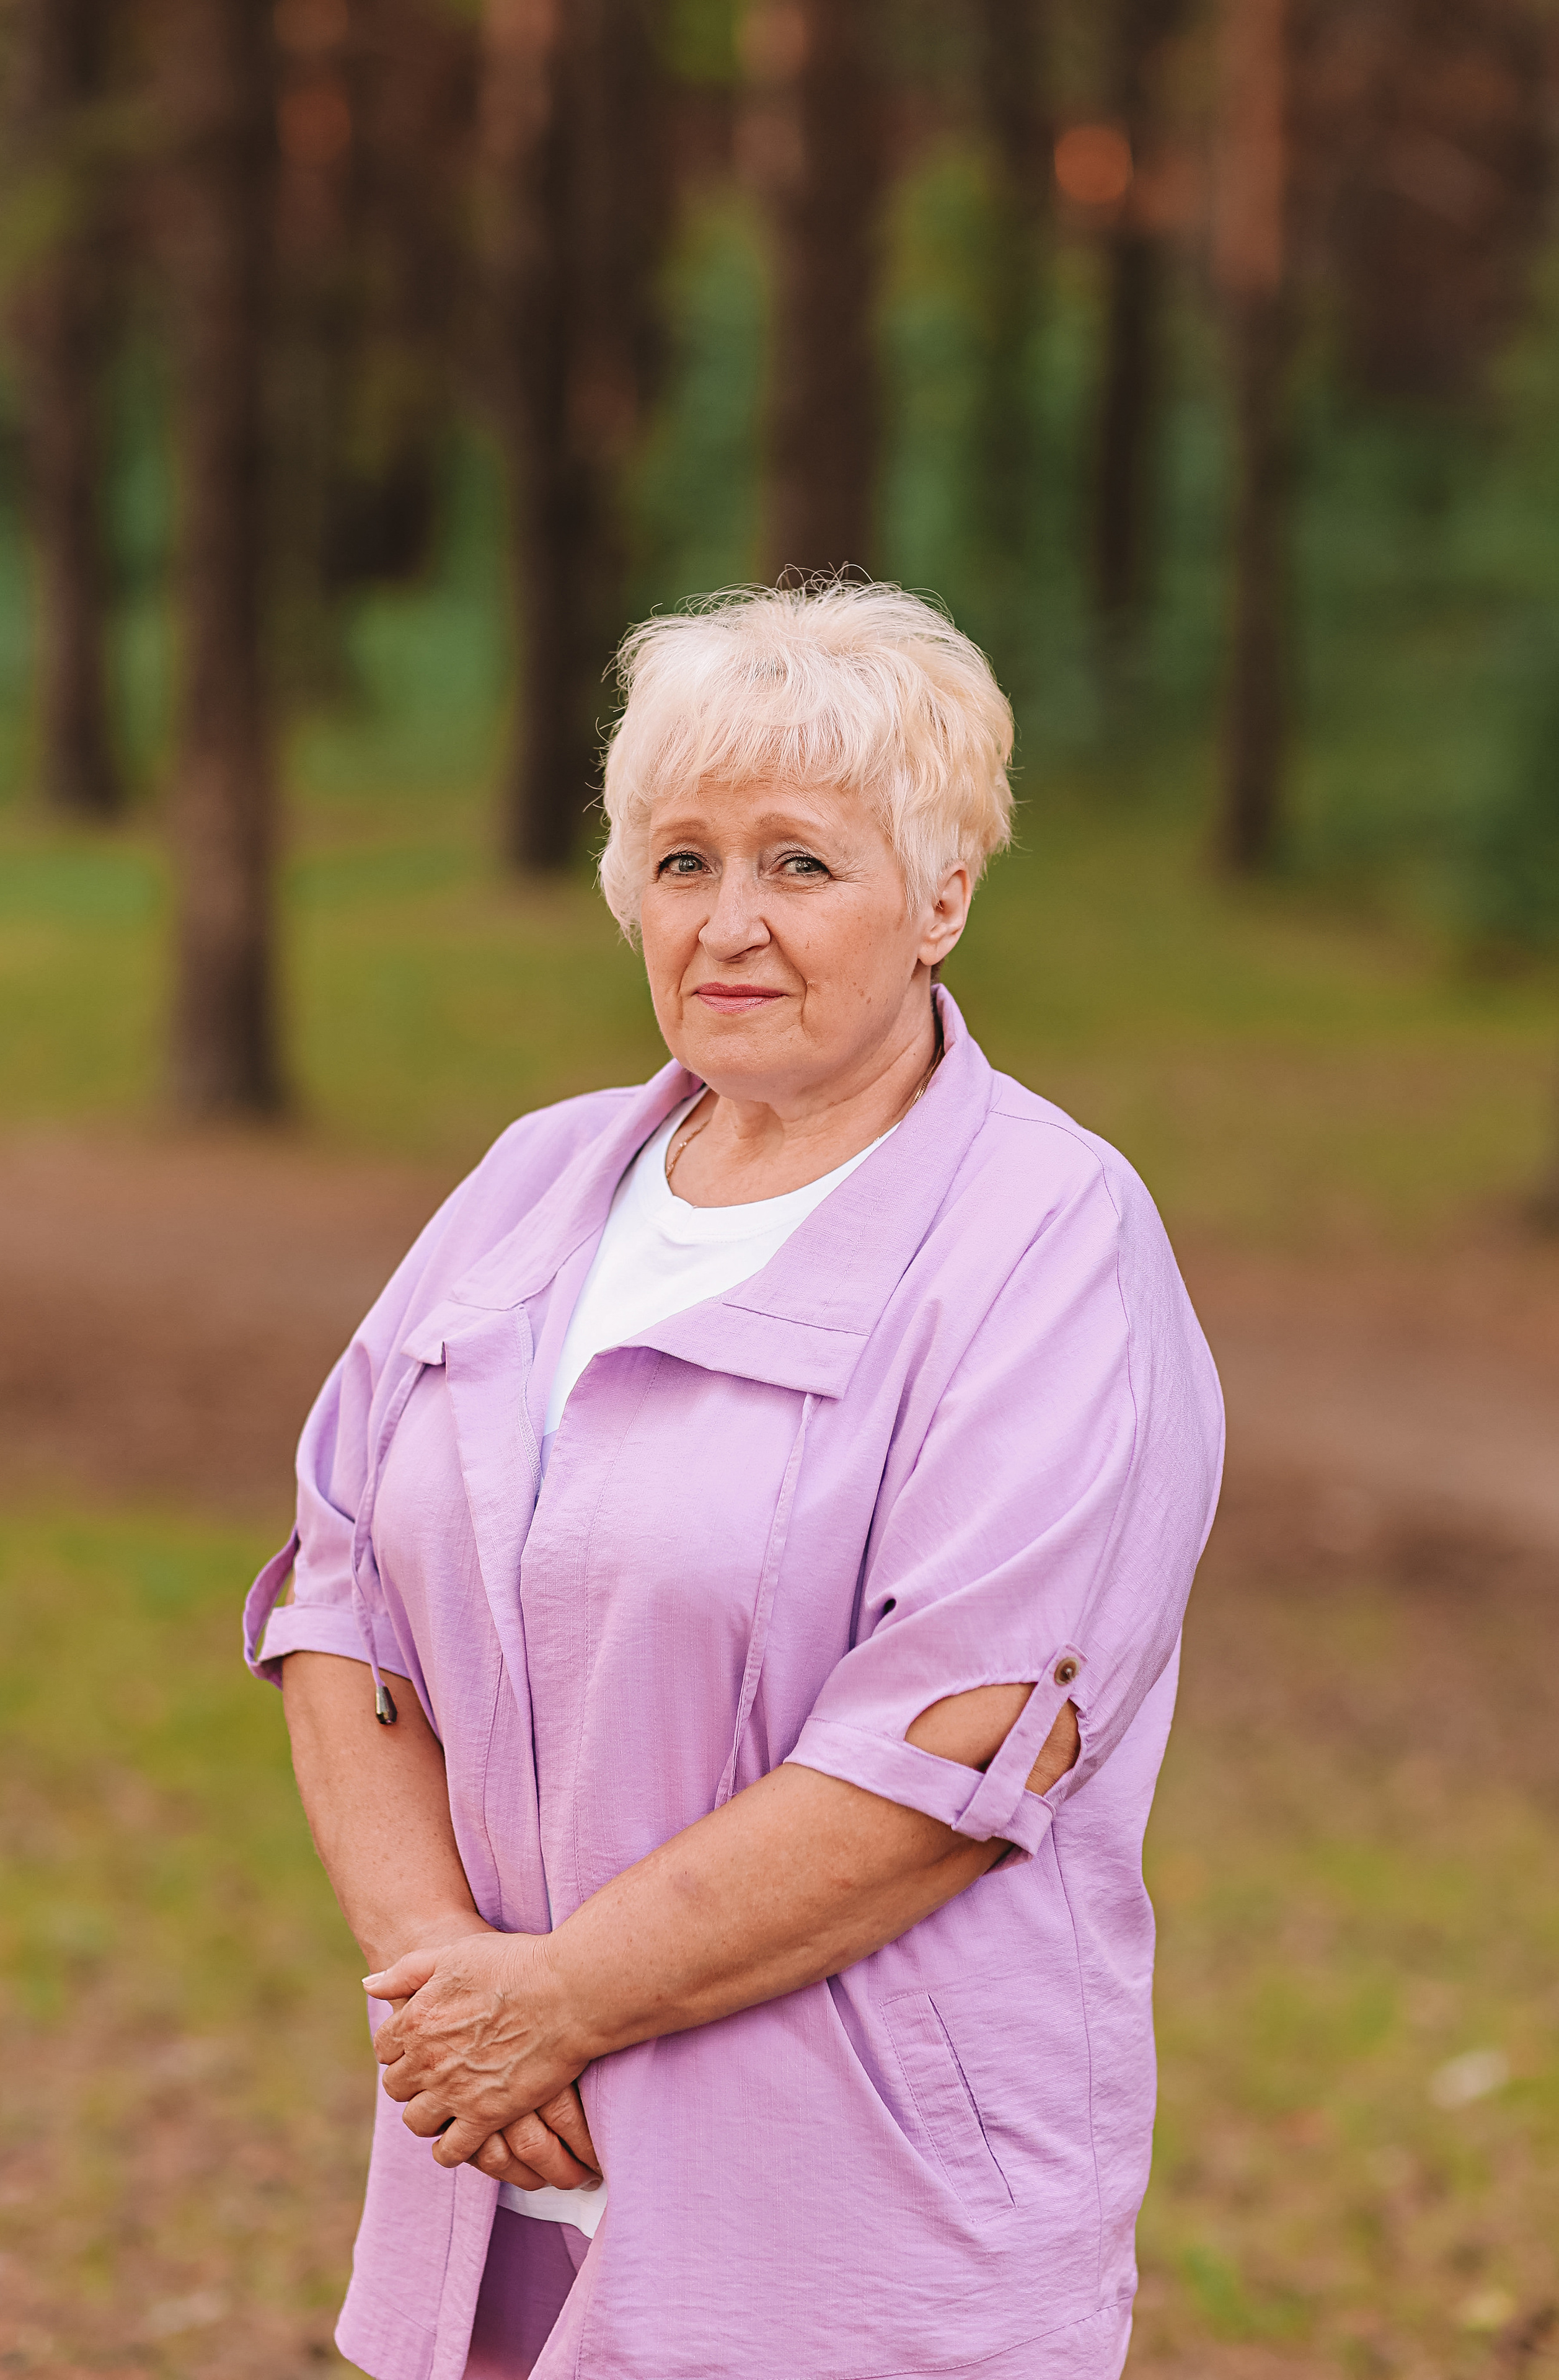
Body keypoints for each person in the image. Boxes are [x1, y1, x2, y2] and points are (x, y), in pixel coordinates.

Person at [244, 580, 1224, 2380]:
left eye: (802, 864)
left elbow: (952, 1746)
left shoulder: (1047, 1244)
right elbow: (336, 1599)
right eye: (682, 863)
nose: (731, 926)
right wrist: (445, 1988)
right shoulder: (533, 1187)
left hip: (857, 2237)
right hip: (496, 2180)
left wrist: (555, 2005)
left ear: (942, 898)